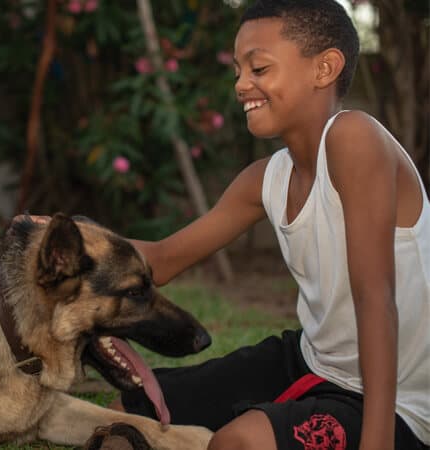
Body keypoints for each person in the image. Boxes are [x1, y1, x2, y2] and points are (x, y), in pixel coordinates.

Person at [105, 1, 429, 450]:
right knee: (126, 415)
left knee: (238, 444)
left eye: (259, 68)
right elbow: (161, 260)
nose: (241, 84)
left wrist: (377, 443)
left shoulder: (357, 139)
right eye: (238, 69)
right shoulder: (266, 179)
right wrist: (67, 236)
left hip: (396, 402)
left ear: (325, 68)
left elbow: (375, 297)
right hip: (310, 362)